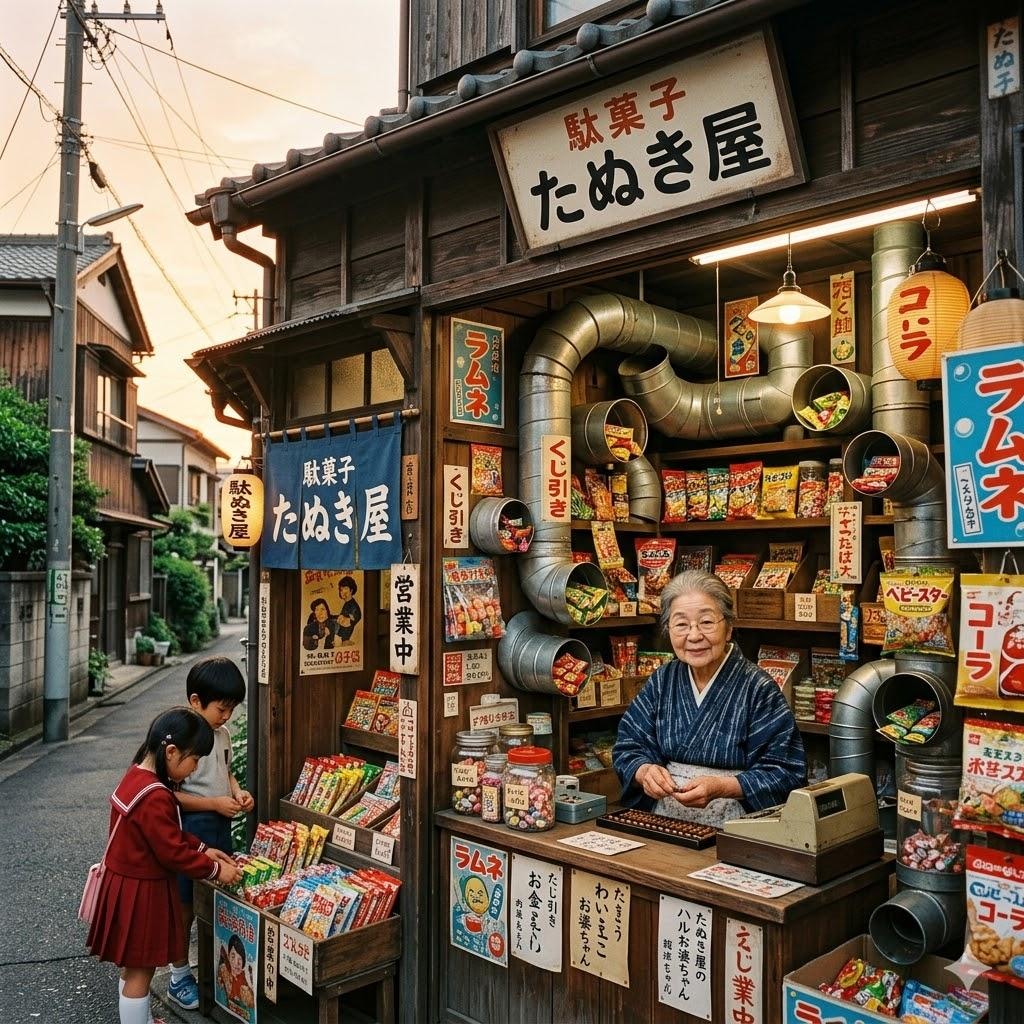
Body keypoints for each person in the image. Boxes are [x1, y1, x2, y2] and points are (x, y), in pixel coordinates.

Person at [613, 569, 806, 827]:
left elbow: (786, 771)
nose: (693, 636)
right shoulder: (663, 680)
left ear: (728, 628)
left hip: (736, 829)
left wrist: (723, 787)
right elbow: (628, 745)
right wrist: (644, 771)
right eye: (681, 624)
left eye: (706, 622)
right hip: (664, 823)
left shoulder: (758, 688)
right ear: (668, 630)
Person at [85, 707, 242, 1024]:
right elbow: (171, 852)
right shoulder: (157, 795)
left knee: (132, 968)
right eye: (194, 760)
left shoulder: (136, 777)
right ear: (171, 752)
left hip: (125, 886)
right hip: (142, 892)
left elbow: (167, 836)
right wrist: (214, 869)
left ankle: (138, 1018)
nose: (195, 768)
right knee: (141, 974)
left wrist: (202, 848)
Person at [167, 657, 253, 1011]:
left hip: (219, 824)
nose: (227, 716)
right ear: (195, 701)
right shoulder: (182, 739)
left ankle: (215, 967)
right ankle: (178, 975)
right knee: (185, 905)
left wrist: (236, 793)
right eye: (221, 708)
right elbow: (169, 795)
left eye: (232, 709)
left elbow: (226, 770)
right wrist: (214, 804)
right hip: (192, 829)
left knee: (218, 899)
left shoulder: (223, 734)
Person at [216, 934, 255, 1016]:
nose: (236, 963)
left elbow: (251, 1004)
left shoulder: (247, 979)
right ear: (229, 956)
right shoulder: (224, 970)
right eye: (233, 957)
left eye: (240, 958)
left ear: (244, 961)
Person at [335, 575, 361, 642]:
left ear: (351, 590)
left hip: (344, 641)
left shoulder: (353, 606)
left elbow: (350, 621)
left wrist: (342, 619)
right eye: (341, 589)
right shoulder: (347, 604)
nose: (343, 591)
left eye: (345, 588)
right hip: (340, 639)